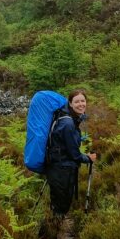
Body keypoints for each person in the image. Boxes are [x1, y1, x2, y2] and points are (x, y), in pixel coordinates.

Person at [44, 89, 97, 217]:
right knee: (61, 205)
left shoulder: (66, 117)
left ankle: (54, 223)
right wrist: (88, 158)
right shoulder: (68, 123)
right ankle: (53, 227)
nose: (81, 104)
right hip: (62, 170)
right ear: (70, 103)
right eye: (77, 101)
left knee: (58, 202)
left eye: (83, 101)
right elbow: (74, 154)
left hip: (57, 167)